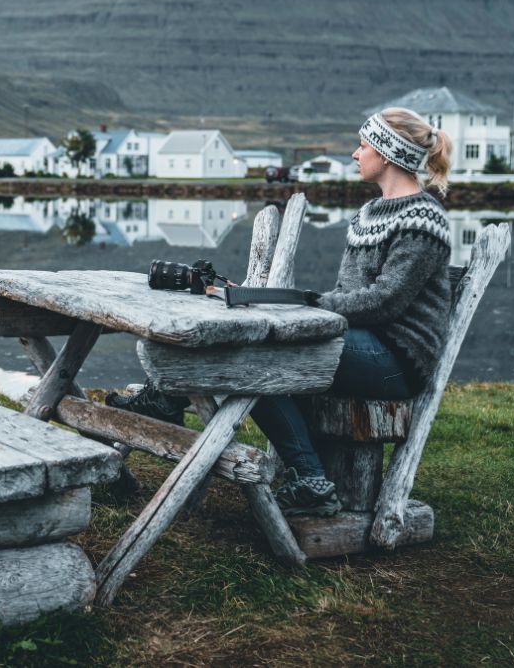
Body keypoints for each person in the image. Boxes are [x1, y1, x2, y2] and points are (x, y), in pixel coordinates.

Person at [108, 107, 452, 516]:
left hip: (396, 359)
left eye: (362, 145)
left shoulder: (424, 219)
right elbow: (348, 294)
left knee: (261, 356)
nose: (355, 154)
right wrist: (294, 305)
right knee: (252, 343)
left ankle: (307, 478)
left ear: (388, 152)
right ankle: (168, 398)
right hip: (361, 343)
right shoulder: (369, 213)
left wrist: (306, 304)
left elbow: (384, 302)